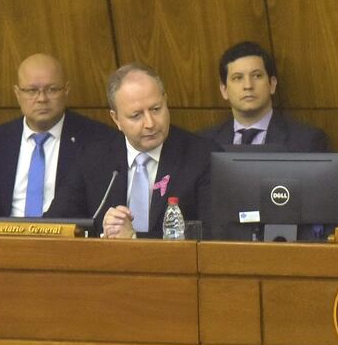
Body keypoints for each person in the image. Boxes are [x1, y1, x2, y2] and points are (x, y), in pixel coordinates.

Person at [46, 62, 220, 238]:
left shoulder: (202, 156)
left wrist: (133, 238)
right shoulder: (93, 156)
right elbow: (57, 223)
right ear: (116, 119)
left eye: (156, 109)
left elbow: (213, 234)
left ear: (166, 102)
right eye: (136, 115)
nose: (150, 123)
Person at [0, 53, 115, 217]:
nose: (42, 98)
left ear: (66, 90)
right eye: (32, 90)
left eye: (52, 89)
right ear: (17, 93)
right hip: (4, 237)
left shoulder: (97, 140)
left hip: (67, 238)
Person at [199, 41, 328, 151]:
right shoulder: (203, 143)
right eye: (237, 78)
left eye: (257, 76)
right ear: (224, 89)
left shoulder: (307, 141)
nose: (248, 85)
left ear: (272, 84)